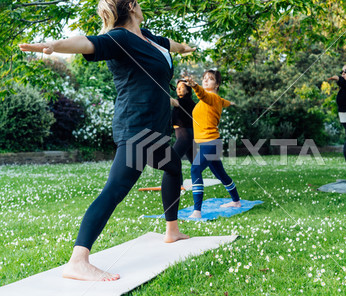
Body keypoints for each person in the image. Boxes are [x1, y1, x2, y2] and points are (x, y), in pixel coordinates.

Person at [19, 0, 195, 281]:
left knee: (173, 168)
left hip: (155, 129)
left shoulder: (148, 37)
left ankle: (172, 231)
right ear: (133, 7)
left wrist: (184, 47)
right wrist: (54, 45)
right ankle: (78, 260)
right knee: (115, 189)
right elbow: (87, 43)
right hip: (137, 128)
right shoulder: (120, 38)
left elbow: (169, 43)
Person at [183, 70, 241, 219]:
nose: (206, 81)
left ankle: (197, 211)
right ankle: (236, 201)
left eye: (210, 79)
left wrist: (195, 85)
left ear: (217, 84)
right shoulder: (217, 100)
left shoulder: (211, 98)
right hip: (210, 144)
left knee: (195, 170)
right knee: (220, 174)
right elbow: (224, 102)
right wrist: (232, 103)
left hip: (210, 143)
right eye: (204, 79)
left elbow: (202, 94)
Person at [171, 80, 196, 164]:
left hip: (184, 135)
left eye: (181, 87)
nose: (178, 89)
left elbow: (173, 102)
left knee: (171, 160)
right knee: (196, 164)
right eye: (177, 87)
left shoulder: (186, 101)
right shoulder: (186, 101)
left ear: (188, 90)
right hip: (187, 135)